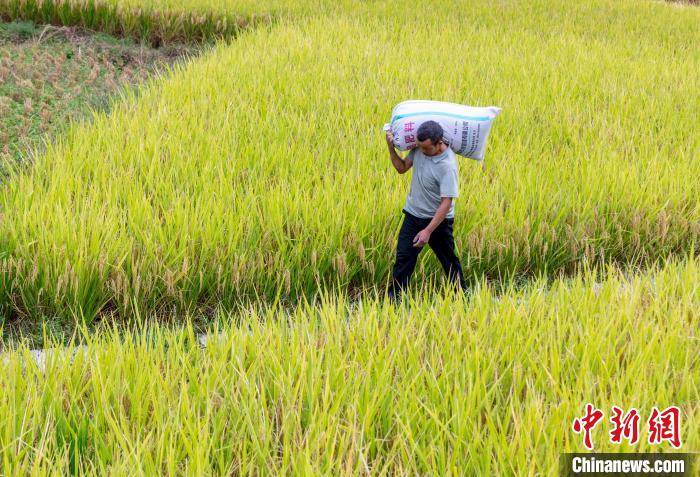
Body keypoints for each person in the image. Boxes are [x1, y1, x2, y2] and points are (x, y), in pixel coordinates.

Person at [385, 120, 468, 302]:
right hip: (413, 215)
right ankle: (394, 301)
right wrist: (391, 148)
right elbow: (401, 168)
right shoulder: (419, 149)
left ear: (439, 143)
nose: (421, 152)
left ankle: (463, 297)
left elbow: (446, 202)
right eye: (420, 147)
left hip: (438, 221)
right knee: (403, 258)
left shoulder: (447, 166)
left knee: (448, 261)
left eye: (426, 148)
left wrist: (428, 231)